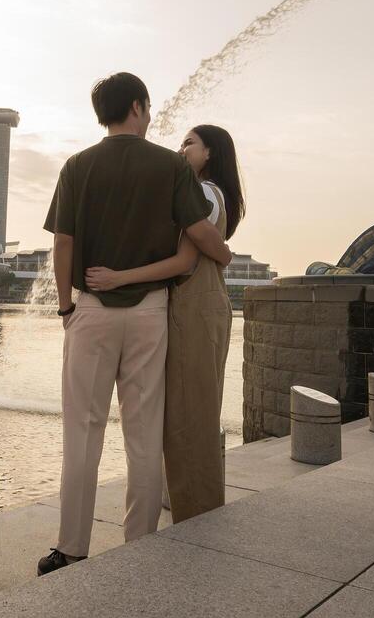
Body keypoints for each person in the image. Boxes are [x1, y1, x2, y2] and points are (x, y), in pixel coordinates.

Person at [38, 74, 232, 576]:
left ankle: (71, 547)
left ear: (103, 112)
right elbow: (197, 234)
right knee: (144, 433)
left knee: (82, 431)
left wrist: (65, 306)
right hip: (150, 311)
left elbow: (63, 243)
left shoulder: (78, 165)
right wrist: (224, 251)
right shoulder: (170, 166)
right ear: (140, 107)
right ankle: (138, 541)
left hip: (91, 310)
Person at [86, 125, 244, 523]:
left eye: (189, 143)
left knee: (190, 420)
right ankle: (198, 512)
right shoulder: (210, 192)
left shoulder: (203, 192)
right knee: (196, 415)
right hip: (204, 306)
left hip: (194, 308)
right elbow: (209, 247)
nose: (181, 149)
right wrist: (222, 252)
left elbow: (186, 259)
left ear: (210, 153)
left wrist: (118, 278)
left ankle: (196, 519)